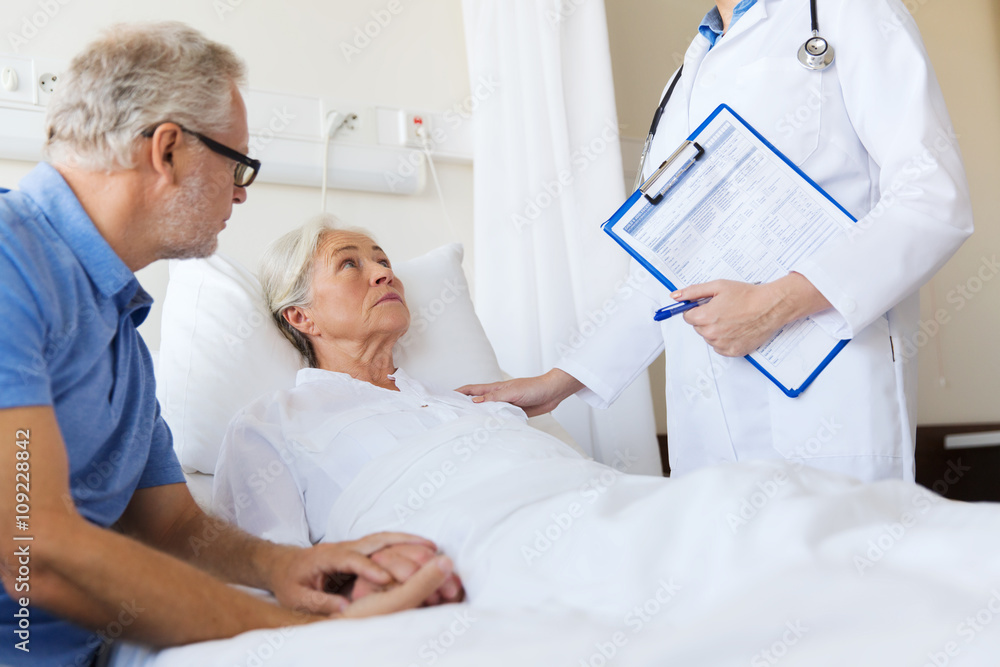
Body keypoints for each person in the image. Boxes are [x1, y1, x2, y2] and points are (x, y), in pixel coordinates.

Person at [0, 23, 459, 667]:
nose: (243, 191)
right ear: (167, 151)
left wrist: (286, 564)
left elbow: (172, 525)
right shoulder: (10, 260)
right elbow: (33, 549)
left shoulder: (120, 333)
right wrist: (297, 634)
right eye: (237, 163)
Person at [459, 0, 974, 483]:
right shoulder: (684, 80)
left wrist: (775, 304)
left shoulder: (847, 13)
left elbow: (931, 199)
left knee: (838, 571)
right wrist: (558, 382)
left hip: (828, 394)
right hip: (706, 423)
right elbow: (661, 276)